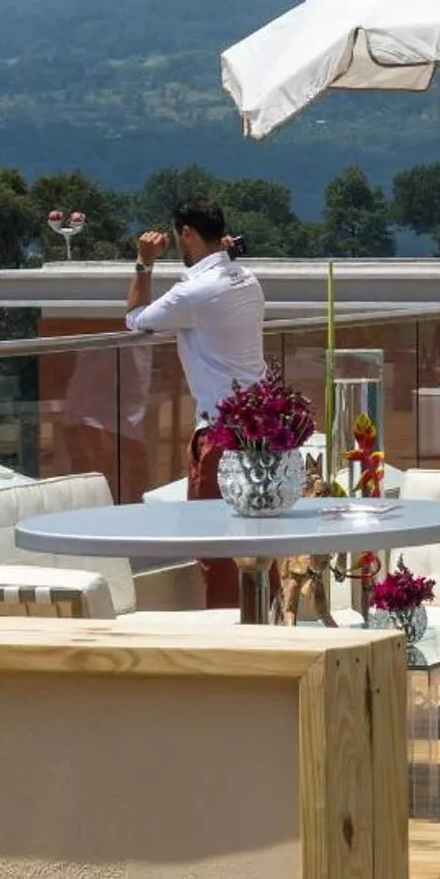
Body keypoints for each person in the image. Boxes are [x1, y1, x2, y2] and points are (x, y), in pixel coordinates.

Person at [126, 195, 268, 610]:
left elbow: (135, 316)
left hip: (221, 435)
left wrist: (143, 262)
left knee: (214, 545)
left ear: (187, 234)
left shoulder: (193, 292)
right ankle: (270, 623)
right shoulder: (247, 279)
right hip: (260, 428)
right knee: (261, 538)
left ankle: (229, 633)